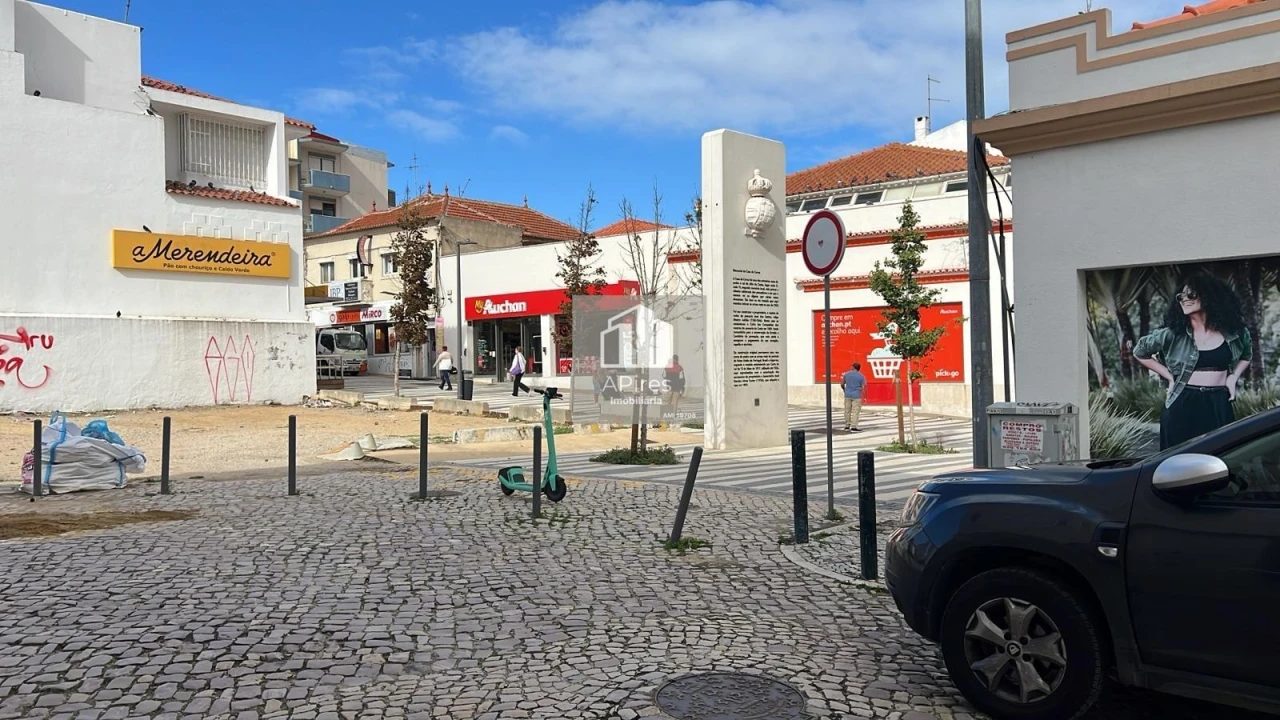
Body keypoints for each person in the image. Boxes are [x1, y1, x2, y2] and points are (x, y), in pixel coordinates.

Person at [1133, 272, 1252, 450]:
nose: (1184, 299)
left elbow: (1246, 355)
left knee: (1220, 457)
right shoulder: (1172, 334)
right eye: (1181, 296)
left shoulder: (1235, 333)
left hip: (1219, 402)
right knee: (1178, 461)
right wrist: (1170, 377)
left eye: (1191, 294)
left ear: (1210, 297)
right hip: (1183, 402)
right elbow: (1140, 351)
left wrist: (1233, 377)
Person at [841, 361, 867, 432]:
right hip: (857, 395)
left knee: (847, 410)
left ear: (853, 367)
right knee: (855, 411)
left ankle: (847, 426)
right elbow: (863, 387)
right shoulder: (861, 376)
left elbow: (842, 384)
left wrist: (844, 390)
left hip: (847, 395)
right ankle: (854, 426)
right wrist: (864, 397)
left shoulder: (846, 374)